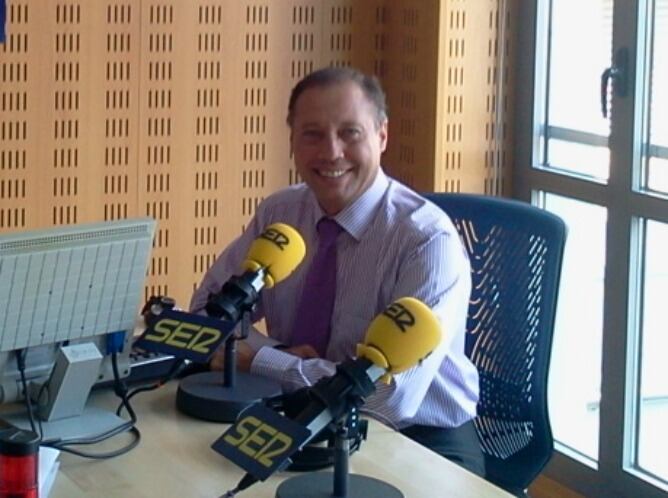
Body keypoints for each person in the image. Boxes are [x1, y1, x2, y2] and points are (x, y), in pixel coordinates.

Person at [190, 67, 484, 477]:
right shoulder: (280, 213)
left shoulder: (426, 240)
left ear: (382, 135)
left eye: (350, 133)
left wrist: (263, 358)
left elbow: (388, 399)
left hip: (418, 438)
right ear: (291, 142)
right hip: (301, 409)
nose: (331, 152)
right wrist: (280, 356)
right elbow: (208, 312)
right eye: (312, 134)